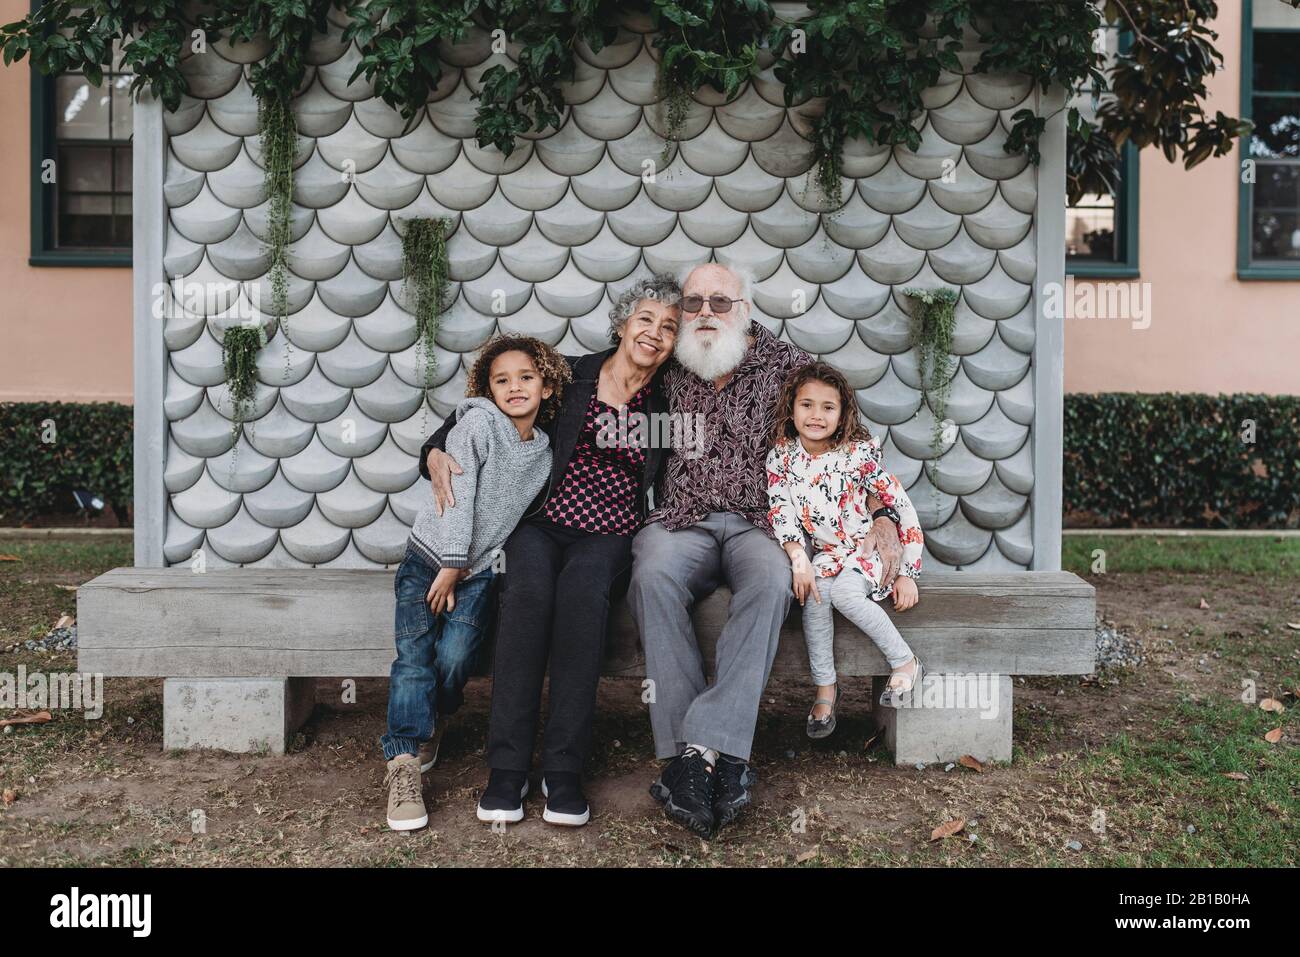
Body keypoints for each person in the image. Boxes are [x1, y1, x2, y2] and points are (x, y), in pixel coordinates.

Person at [629, 263, 907, 838]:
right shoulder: (668, 363)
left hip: (765, 523)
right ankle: (704, 757)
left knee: (774, 584)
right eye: (694, 301)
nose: (706, 312)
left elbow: (853, 438)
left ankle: (701, 749)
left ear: (746, 310)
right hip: (685, 518)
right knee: (651, 573)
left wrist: (882, 514)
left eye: (721, 302)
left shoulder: (789, 368)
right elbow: (594, 385)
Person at [420, 275, 681, 826]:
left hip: (610, 533)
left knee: (583, 600)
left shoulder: (667, 402)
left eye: (668, 328)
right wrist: (433, 451)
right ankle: (507, 773)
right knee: (528, 599)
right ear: (621, 324)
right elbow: (476, 411)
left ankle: (563, 772)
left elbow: (695, 463)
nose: (654, 334)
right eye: (645, 320)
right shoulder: (573, 375)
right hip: (539, 522)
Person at [382, 335, 570, 832]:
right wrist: (449, 563)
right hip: (429, 560)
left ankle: (434, 716)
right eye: (501, 380)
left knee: (457, 656)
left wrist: (466, 567)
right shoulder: (476, 426)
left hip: (479, 572)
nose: (514, 388)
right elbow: (457, 496)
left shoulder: (545, 455)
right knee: (415, 659)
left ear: (547, 386)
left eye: (526, 378)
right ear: (487, 389)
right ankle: (402, 763)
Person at [765, 362, 925, 740]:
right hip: (827, 554)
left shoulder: (859, 454)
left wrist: (908, 571)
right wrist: (799, 560)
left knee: (845, 595)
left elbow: (900, 506)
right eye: (807, 405)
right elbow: (781, 512)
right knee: (816, 598)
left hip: (867, 550)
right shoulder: (782, 457)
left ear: (843, 413)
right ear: (791, 408)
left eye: (827, 407)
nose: (816, 415)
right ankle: (825, 688)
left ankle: (904, 662)